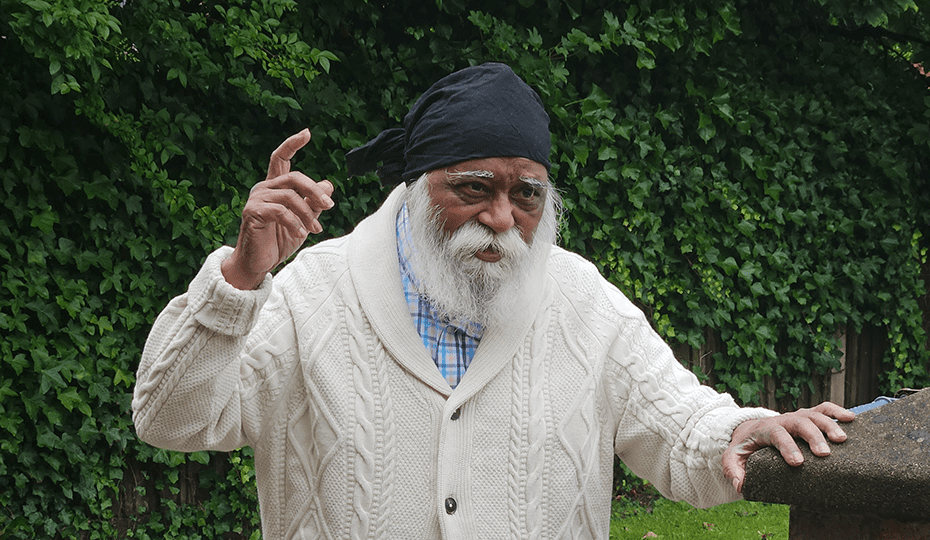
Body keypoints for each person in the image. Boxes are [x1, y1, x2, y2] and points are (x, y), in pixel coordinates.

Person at [132, 63, 854, 539]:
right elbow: (170, 417)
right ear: (418, 188)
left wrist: (743, 430)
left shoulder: (580, 301)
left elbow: (679, 422)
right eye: (474, 188)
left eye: (526, 194)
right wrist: (239, 280)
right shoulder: (310, 298)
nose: (503, 218)